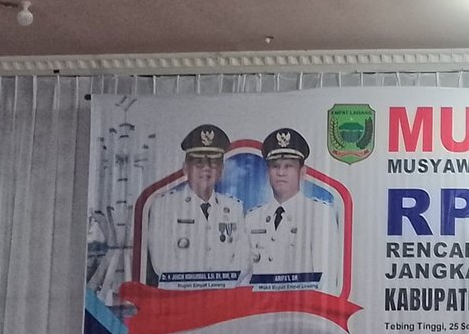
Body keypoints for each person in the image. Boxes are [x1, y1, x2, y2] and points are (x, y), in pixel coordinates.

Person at [141, 123, 248, 289]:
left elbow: (243, 261)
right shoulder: (164, 207)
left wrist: (218, 288)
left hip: (223, 298)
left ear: (221, 170)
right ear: (185, 168)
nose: (206, 168)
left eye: (213, 162)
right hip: (178, 298)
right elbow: (162, 264)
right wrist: (202, 289)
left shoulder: (234, 208)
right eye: (198, 162)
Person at [246, 127, 343, 293]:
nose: (281, 173)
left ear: (302, 172)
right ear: (268, 173)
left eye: (288, 166)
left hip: (303, 307)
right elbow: (245, 279)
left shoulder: (319, 214)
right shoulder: (252, 218)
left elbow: (326, 281)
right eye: (275, 166)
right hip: (260, 307)